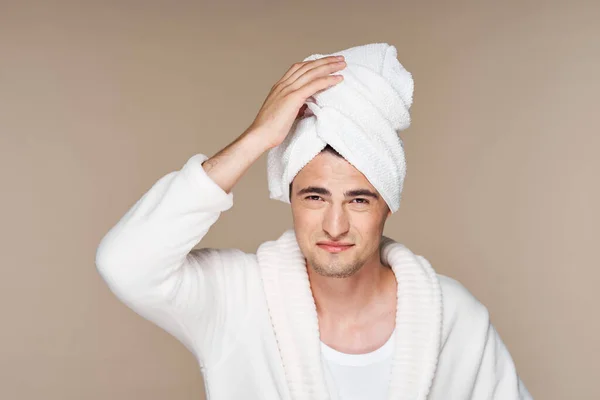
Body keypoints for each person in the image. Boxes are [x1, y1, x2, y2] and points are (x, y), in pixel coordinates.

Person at [96, 44, 532, 399]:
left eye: (359, 199)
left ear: (388, 205)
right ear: (289, 198)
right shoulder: (238, 299)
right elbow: (125, 264)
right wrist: (257, 139)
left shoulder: (454, 317)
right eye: (315, 196)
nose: (335, 225)